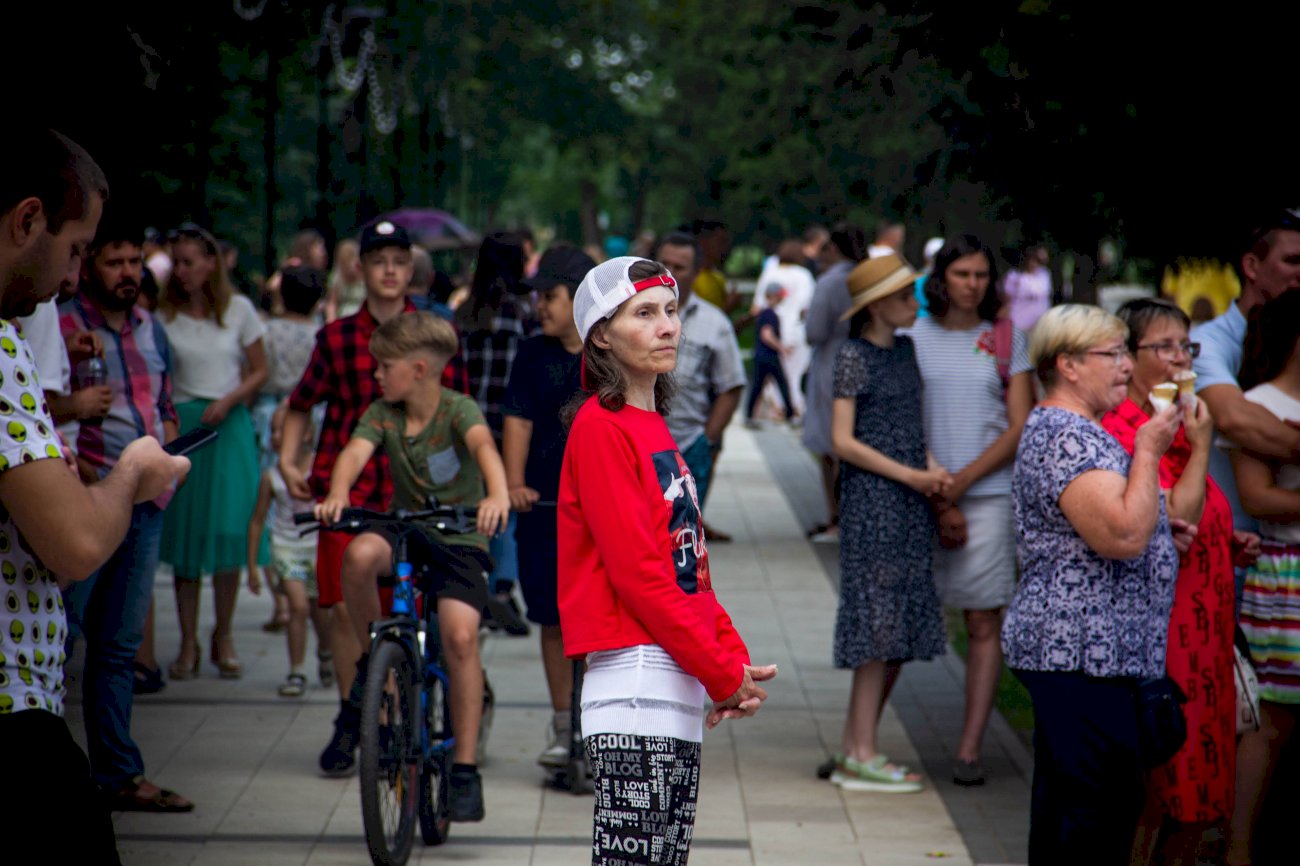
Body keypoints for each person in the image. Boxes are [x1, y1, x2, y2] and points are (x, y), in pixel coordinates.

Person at [0, 126, 190, 865]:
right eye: (77, 247)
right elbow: (76, 544)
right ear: (27, 221)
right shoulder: (4, 347)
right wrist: (133, 471)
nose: (72, 276)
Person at [557, 256, 775, 865]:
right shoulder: (601, 428)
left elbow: (690, 568)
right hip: (634, 682)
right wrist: (720, 675)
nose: (668, 327)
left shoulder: (651, 426)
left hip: (666, 679)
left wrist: (732, 661)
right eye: (644, 314)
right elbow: (639, 578)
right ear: (602, 333)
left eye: (671, 312)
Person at [1002, 304, 1184, 863]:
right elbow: (1122, 536)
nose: (1128, 366)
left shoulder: (1077, 430)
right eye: (1115, 354)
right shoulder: (1066, 435)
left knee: (1074, 816)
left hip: (1092, 658)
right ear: (1069, 365)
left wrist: (1163, 527)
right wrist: (1151, 449)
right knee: (1092, 823)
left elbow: (1115, 521)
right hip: (1080, 656)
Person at [315, 311, 510, 822]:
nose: (377, 376)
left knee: (460, 635)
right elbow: (354, 453)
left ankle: (464, 768)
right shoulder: (383, 412)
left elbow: (485, 447)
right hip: (409, 529)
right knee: (359, 555)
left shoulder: (457, 408)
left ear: (419, 369)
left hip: (461, 534)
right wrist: (338, 493)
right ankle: (371, 656)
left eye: (385, 367)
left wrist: (497, 494)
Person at [1103, 298, 1253, 863]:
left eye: (1185, 347)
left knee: (1202, 788)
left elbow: (1200, 521)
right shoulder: (1127, 430)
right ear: (1128, 356)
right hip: (1165, 634)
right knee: (1161, 785)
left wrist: (1228, 542)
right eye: (1162, 347)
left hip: (1207, 628)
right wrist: (1205, 442)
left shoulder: (1177, 423)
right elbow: (1174, 513)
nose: (1178, 360)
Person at [58, 211, 194, 812]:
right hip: (82, 496)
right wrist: (73, 403)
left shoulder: (150, 327)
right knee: (57, 639)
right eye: (114, 262)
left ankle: (118, 773)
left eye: (135, 261)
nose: (127, 273)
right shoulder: (61, 325)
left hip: (145, 502)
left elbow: (163, 402)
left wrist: (166, 442)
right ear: (88, 266)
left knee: (118, 646)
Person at [282, 219, 423, 776]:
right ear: (359, 269)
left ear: (410, 269)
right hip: (346, 494)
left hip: (413, 493)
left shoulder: (431, 335)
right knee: (343, 612)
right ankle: (356, 716)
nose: (389, 271)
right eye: (378, 260)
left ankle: (395, 715)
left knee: (402, 612)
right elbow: (300, 402)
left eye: (399, 261)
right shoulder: (336, 337)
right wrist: (291, 461)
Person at [906, 235, 1033, 785]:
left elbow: (1020, 424)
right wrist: (938, 487)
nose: (972, 284)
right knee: (902, 616)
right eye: (962, 274)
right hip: (917, 491)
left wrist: (961, 484)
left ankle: (969, 748)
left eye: (982, 274)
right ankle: (860, 741)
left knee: (983, 619)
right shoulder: (912, 335)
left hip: (987, 495)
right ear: (941, 278)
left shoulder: (1008, 339)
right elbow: (901, 418)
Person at [826, 254, 949, 792]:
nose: (914, 305)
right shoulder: (853, 355)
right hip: (873, 501)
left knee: (891, 624)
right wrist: (910, 474)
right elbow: (842, 441)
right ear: (876, 306)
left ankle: (858, 749)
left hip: (909, 500)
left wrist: (930, 467)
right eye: (904, 297)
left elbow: (907, 424)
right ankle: (861, 752)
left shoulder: (907, 349)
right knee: (876, 624)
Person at [156, 224, 269, 680]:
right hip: (184, 424)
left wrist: (230, 398)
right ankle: (187, 643)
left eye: (189, 261)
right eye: (176, 261)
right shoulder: (163, 315)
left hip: (228, 423)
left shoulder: (238, 309)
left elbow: (261, 370)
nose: (181, 270)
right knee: (187, 538)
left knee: (227, 534)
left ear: (210, 263)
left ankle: (224, 635)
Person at [501, 244, 594, 768]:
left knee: (601, 621)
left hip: (597, 512)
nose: (541, 307)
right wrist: (514, 483)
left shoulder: (609, 349)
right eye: (537, 298)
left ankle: (599, 726)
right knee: (552, 620)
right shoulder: (532, 353)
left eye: (550, 297)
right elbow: (517, 419)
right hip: (544, 507)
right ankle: (563, 725)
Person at [1226, 291, 1300, 866]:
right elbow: (1257, 497)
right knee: (1271, 719)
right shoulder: (1259, 403)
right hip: (1286, 575)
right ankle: (1239, 850)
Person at [1192, 208, 1300, 541]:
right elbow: (1234, 417)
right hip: (1234, 542)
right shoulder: (1205, 342)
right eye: (1293, 261)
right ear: (1252, 266)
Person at [456, 230, 535, 635]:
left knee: (475, 504)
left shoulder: (466, 313)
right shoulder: (525, 313)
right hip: (512, 427)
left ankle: (476, 582)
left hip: (468, 426)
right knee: (506, 509)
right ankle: (502, 588)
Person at [656, 231, 747, 542]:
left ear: (696, 273)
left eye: (679, 267)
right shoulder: (632, 315)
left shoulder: (714, 323)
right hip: (640, 445)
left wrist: (707, 440)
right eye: (663, 263)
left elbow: (731, 385)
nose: (669, 273)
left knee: (684, 542)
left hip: (690, 444)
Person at [249, 404, 332, 697]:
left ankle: (325, 650)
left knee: (321, 610)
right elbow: (257, 521)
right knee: (297, 606)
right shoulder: (270, 477)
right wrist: (252, 567)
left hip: (317, 547)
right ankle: (296, 670)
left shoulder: (323, 470)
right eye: (272, 429)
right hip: (286, 548)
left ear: (306, 433)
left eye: (282, 429)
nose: (275, 436)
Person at [802, 223, 867, 542]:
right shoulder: (863, 276)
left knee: (831, 445)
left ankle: (835, 516)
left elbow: (814, 331)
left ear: (832, 248)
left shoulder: (829, 282)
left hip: (831, 363)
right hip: (864, 360)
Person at [751, 238, 814, 418]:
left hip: (771, 328)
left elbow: (757, 306)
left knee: (773, 374)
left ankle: (778, 406)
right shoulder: (804, 275)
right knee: (793, 374)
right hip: (795, 330)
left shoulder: (769, 273)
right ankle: (793, 407)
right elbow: (806, 307)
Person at [744, 283, 795, 426]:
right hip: (768, 356)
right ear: (773, 296)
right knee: (781, 384)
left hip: (761, 355)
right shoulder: (769, 314)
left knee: (758, 386)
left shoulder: (764, 313)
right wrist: (782, 348)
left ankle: (749, 415)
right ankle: (790, 415)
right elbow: (766, 335)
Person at [690, 219, 740, 313]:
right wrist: (729, 306)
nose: (725, 247)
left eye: (727, 242)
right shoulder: (691, 278)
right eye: (721, 241)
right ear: (704, 242)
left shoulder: (719, 279)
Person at [1002, 245, 1053, 334]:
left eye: (1038, 261)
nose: (1034, 263)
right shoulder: (1015, 275)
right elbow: (1007, 300)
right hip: (1020, 324)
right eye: (1032, 259)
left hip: (1041, 324)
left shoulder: (1044, 274)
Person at [323, 237, 364, 322]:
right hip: (343, 318)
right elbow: (332, 303)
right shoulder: (337, 279)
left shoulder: (366, 277)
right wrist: (331, 321)